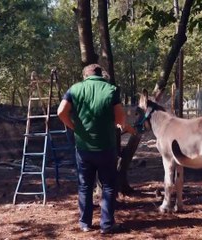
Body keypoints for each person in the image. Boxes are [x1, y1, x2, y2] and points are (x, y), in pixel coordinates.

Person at [57, 64, 135, 234]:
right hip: (106, 147)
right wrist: (124, 126)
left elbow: (61, 111)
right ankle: (107, 224)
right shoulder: (111, 89)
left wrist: (73, 127)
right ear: (101, 75)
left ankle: (85, 223)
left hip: (83, 148)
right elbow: (120, 117)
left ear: (85, 76)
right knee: (108, 185)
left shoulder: (75, 89)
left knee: (85, 185)